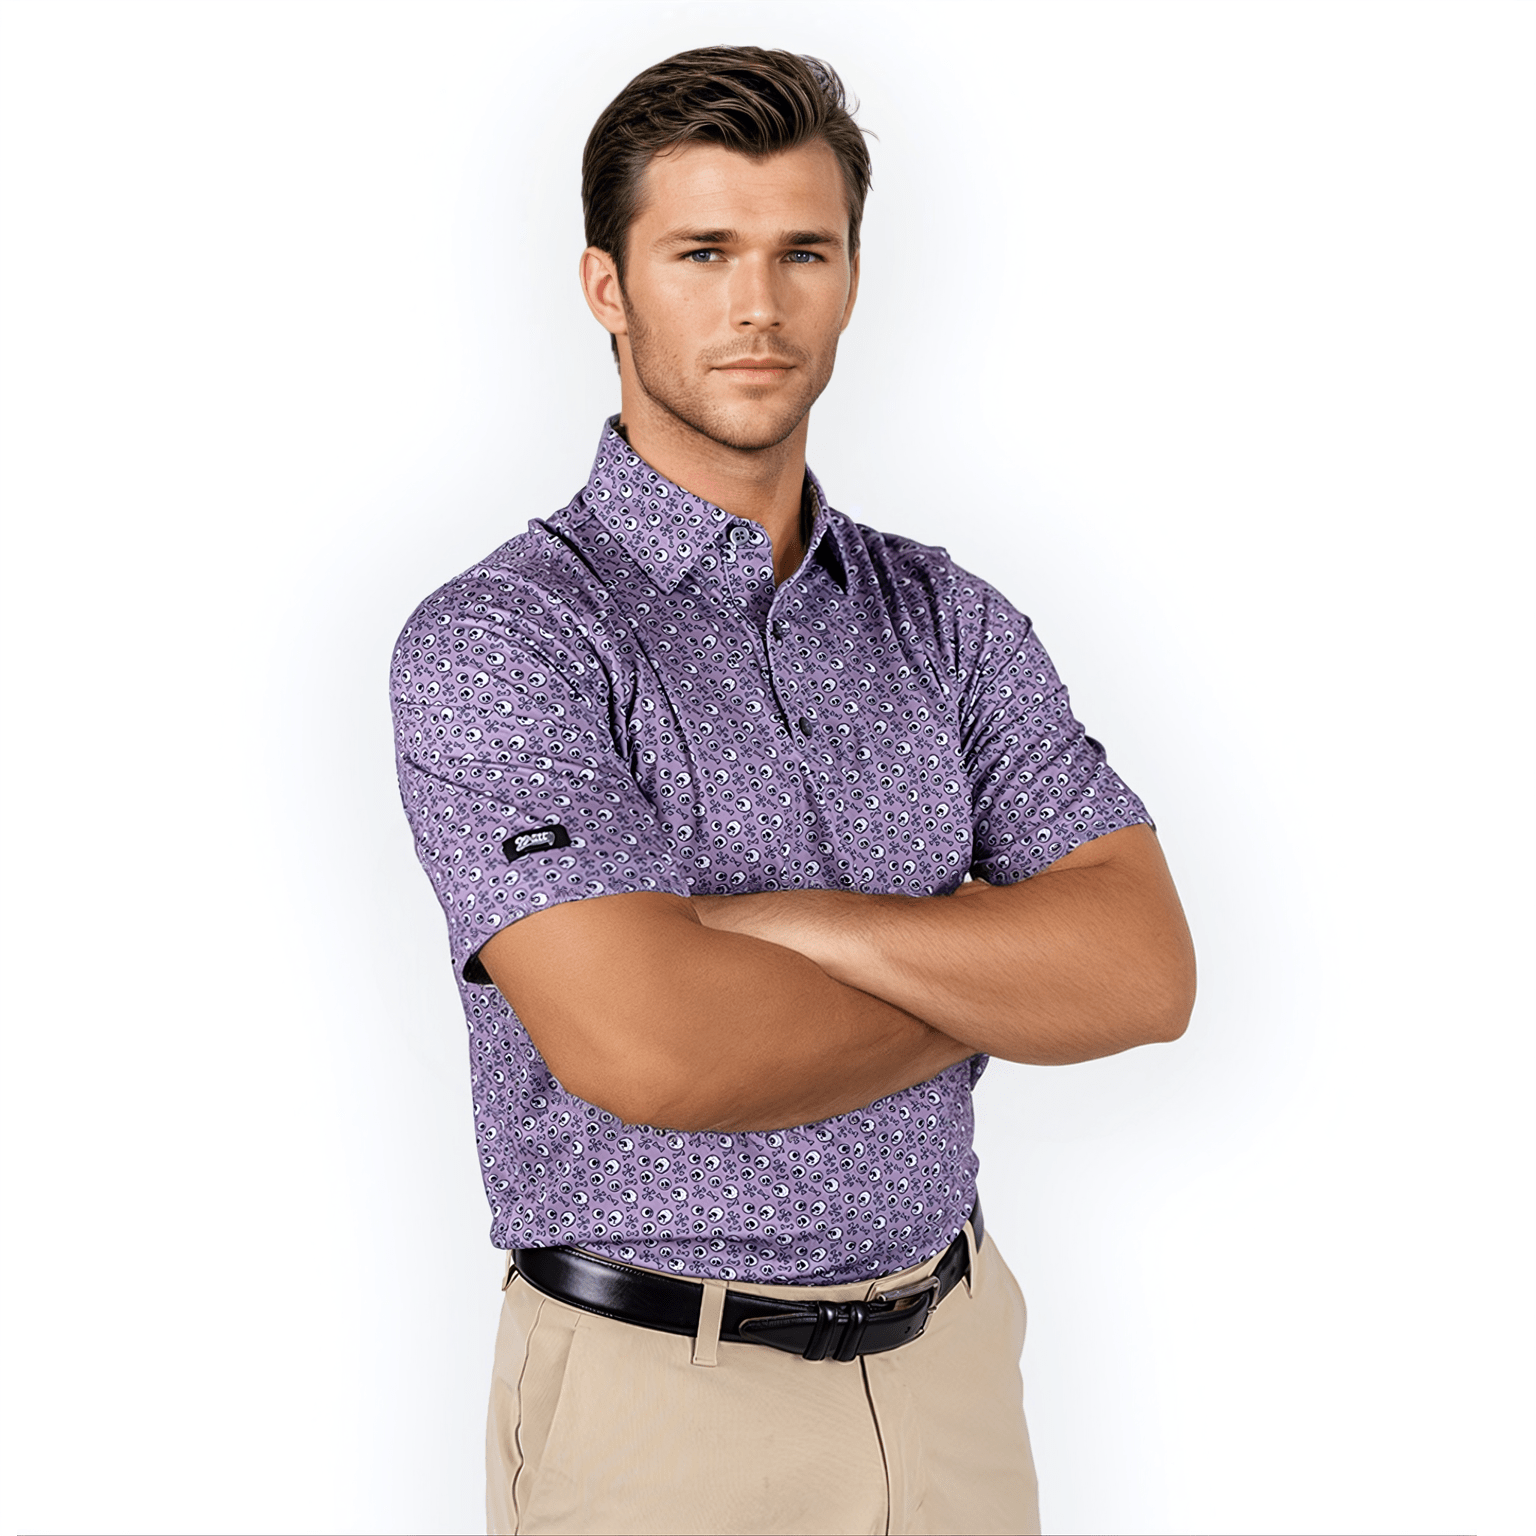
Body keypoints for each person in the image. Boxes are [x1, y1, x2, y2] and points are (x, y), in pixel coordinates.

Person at [390, 45, 1195, 1536]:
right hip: (661, 1402)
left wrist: (795, 924)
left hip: (952, 1369)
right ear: (607, 286)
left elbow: (1142, 970)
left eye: (801, 252)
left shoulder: (946, 620)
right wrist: (995, 971)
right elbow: (651, 1050)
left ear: (852, 279)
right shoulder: (507, 641)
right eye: (702, 252)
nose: (757, 305)